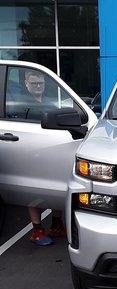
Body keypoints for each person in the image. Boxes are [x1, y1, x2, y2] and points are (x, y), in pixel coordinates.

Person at [23, 70, 66, 246]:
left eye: (41, 83)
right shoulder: (21, 103)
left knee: (55, 186)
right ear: (26, 83)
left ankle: (56, 225)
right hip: (31, 153)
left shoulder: (50, 99)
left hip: (51, 151)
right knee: (34, 190)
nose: (39, 86)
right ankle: (37, 230)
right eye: (34, 84)